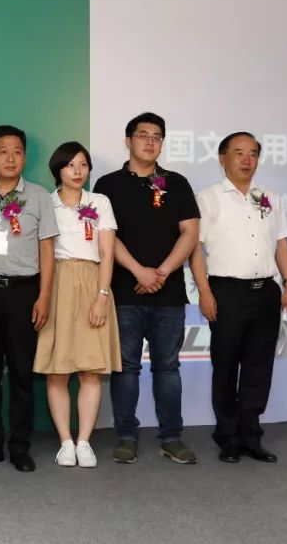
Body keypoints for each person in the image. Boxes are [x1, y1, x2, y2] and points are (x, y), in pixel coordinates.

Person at [93, 112, 200, 465]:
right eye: (143, 135)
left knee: (168, 368)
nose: (150, 141)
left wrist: (162, 272)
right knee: (126, 368)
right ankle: (126, 436)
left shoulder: (177, 183)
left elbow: (190, 233)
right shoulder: (108, 184)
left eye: (157, 136)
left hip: (169, 295)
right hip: (125, 293)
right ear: (128, 140)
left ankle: (172, 437)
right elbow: (106, 238)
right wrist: (139, 271)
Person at [190, 132, 287, 463]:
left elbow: (281, 243)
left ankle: (251, 435)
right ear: (222, 159)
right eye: (239, 153)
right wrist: (205, 292)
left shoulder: (269, 197)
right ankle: (228, 436)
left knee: (258, 366)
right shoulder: (208, 198)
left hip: (266, 291)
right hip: (227, 292)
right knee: (225, 366)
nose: (247, 160)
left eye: (252, 153)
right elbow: (195, 249)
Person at [0, 126, 58, 473]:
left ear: (25, 157)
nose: (10, 158)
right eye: (3, 151)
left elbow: (47, 249)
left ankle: (20, 446)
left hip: (24, 292)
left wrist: (44, 296)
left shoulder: (39, 196)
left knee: (22, 374)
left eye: (17, 151)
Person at [34, 142, 121, 468]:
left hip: (93, 283)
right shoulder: (46, 202)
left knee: (91, 370)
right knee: (57, 371)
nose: (77, 171)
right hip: (55, 283)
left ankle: (84, 441)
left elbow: (107, 253)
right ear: (58, 169)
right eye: (70, 165)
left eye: (83, 165)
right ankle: (65, 442)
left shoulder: (100, 202)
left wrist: (102, 295)